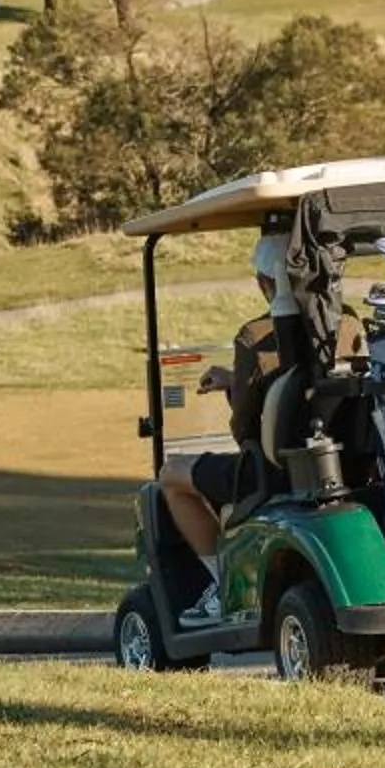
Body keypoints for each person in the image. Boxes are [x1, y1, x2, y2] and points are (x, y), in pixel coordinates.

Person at [156, 232, 290, 624]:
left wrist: (236, 391)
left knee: (172, 475)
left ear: (264, 283)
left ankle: (222, 584)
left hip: (272, 471)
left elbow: (243, 428)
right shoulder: (346, 321)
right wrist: (237, 380)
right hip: (339, 462)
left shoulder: (254, 336)